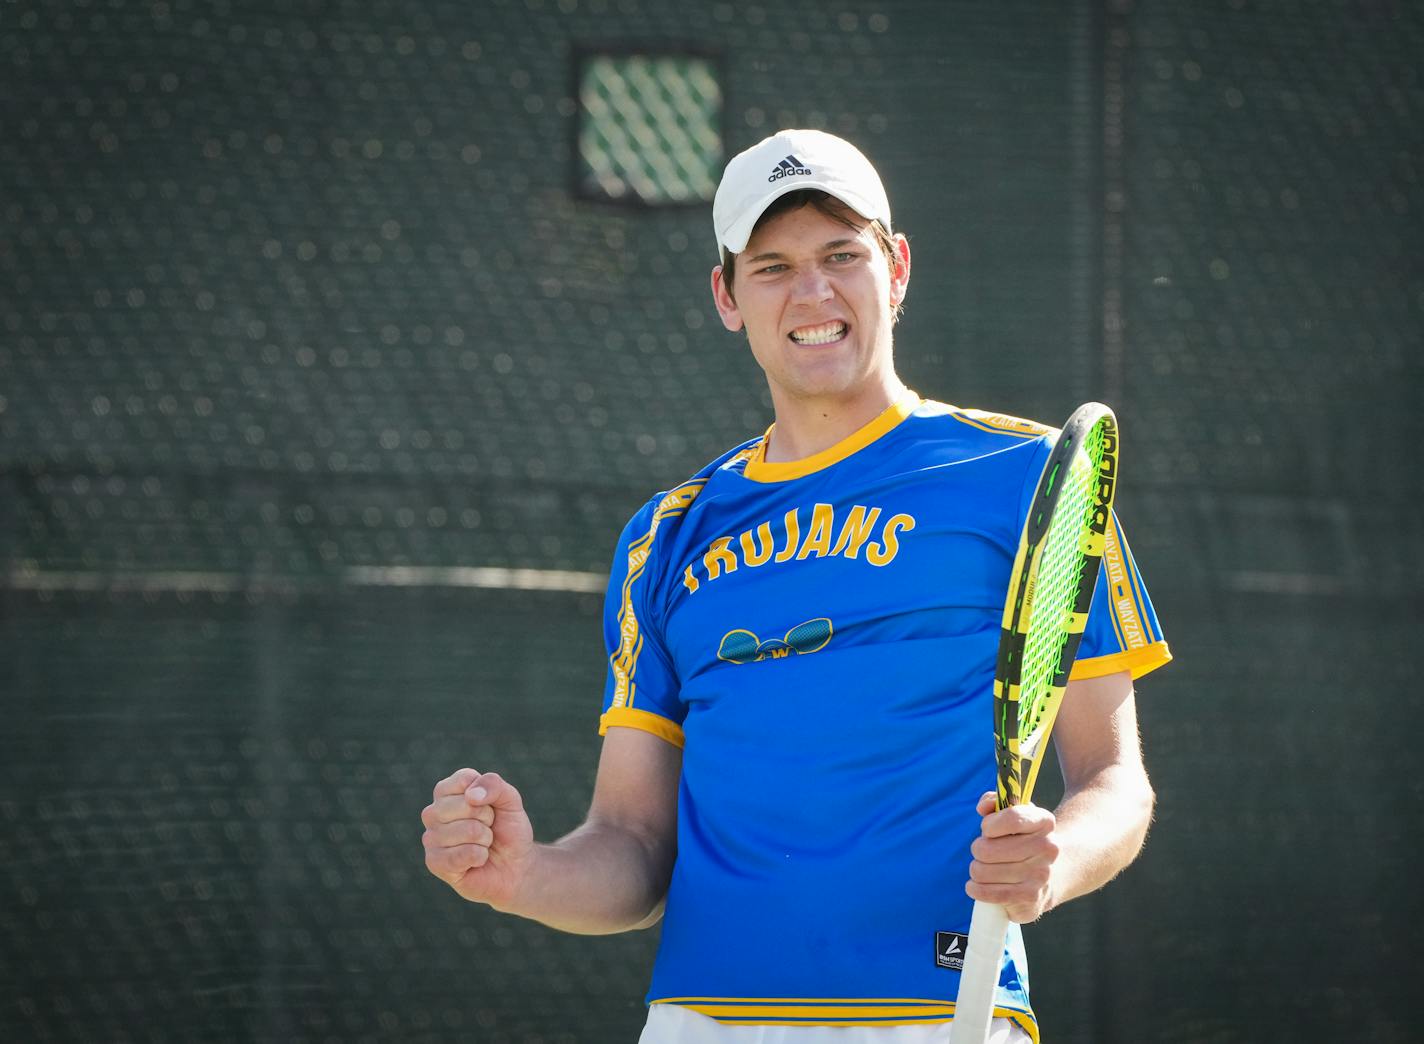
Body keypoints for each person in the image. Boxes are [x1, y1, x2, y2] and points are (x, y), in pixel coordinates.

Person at [421, 129, 1171, 1042]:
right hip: (704, 1019)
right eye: (772, 266)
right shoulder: (665, 537)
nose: (813, 292)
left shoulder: (1030, 480)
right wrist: (525, 876)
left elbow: (1114, 781)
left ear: (895, 267)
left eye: (841, 255)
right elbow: (635, 844)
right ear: (726, 296)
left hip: (943, 1011)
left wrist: (1054, 861)